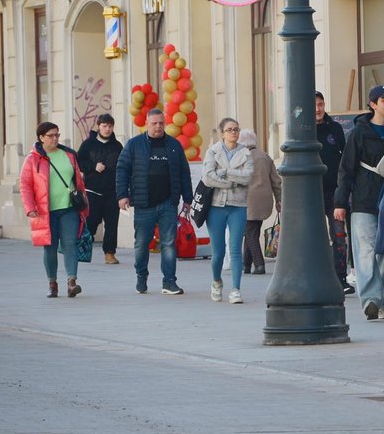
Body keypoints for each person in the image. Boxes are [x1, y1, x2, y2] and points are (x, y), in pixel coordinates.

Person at [334, 85, 384, 320]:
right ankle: (370, 301)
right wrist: (340, 203)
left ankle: (382, 303)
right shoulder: (358, 133)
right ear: (372, 104)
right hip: (363, 200)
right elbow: (346, 169)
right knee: (365, 252)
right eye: (383, 100)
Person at [116, 108, 193, 296]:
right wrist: (122, 195)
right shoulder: (134, 145)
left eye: (161, 123)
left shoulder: (174, 145)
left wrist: (188, 198)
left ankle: (169, 282)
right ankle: (141, 277)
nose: (158, 126)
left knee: (168, 243)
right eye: (154, 123)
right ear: (147, 124)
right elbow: (122, 169)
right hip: (143, 203)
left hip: (168, 202)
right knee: (142, 243)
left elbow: (184, 172)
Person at [20, 122, 88, 298]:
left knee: (70, 244)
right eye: (51, 135)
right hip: (45, 212)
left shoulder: (68, 155)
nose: (55, 138)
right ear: (41, 138)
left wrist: (83, 201)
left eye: (57, 135)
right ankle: (52, 283)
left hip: (69, 209)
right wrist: (30, 208)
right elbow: (25, 186)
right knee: (49, 248)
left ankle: (72, 282)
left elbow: (78, 181)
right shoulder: (32, 160)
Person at [202, 118, 254, 304]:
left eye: (236, 129)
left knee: (235, 250)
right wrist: (232, 180)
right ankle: (216, 281)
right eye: (230, 130)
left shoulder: (246, 153)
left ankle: (236, 290)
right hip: (216, 207)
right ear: (222, 133)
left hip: (237, 206)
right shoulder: (213, 152)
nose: (233, 132)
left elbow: (247, 177)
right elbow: (208, 178)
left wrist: (224, 173)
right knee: (218, 251)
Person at [315, 91, 351, 294]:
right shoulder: (303, 130)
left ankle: (341, 278)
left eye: (321, 104)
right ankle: (317, 276)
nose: (318, 109)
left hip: (335, 193)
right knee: (314, 236)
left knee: (339, 235)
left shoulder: (335, 128)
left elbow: (345, 159)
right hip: (311, 194)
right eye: (314, 105)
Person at [77, 113, 123, 265]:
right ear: (98, 127)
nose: (107, 129)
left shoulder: (117, 146)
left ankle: (110, 253)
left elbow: (123, 167)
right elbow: (78, 162)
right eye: (104, 126)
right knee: (91, 222)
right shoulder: (88, 144)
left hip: (112, 192)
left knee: (111, 224)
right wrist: (92, 167)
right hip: (92, 191)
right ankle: (83, 250)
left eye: (110, 126)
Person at [239, 128, 281, 276]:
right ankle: (246, 264)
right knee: (252, 230)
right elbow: (276, 181)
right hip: (264, 200)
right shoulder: (265, 157)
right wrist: (279, 200)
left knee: (249, 233)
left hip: (248, 200)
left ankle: (259, 264)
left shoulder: (241, 157)